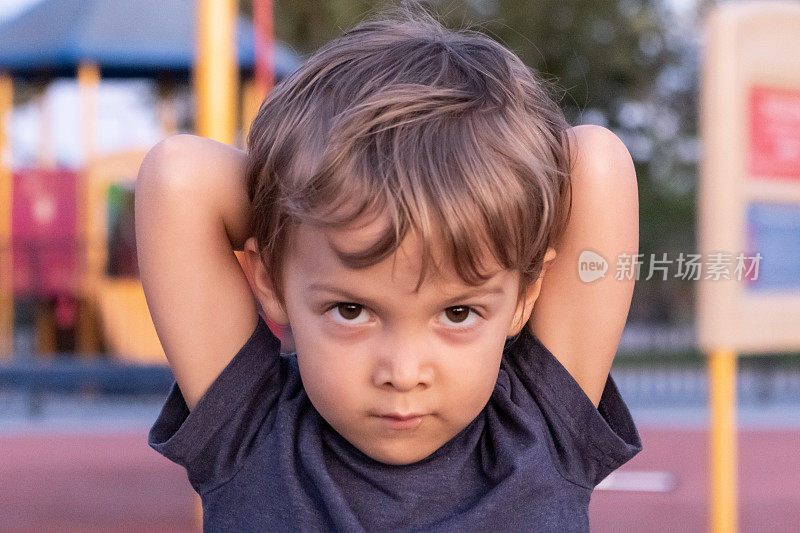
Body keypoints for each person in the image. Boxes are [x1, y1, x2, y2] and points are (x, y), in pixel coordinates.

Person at [136, 4, 641, 531]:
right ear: (269, 279)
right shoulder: (248, 430)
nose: (402, 374)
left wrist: (321, 220)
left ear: (524, 297)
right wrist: (309, 208)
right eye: (351, 310)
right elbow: (178, 179)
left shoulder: (545, 424)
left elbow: (598, 163)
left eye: (459, 313)